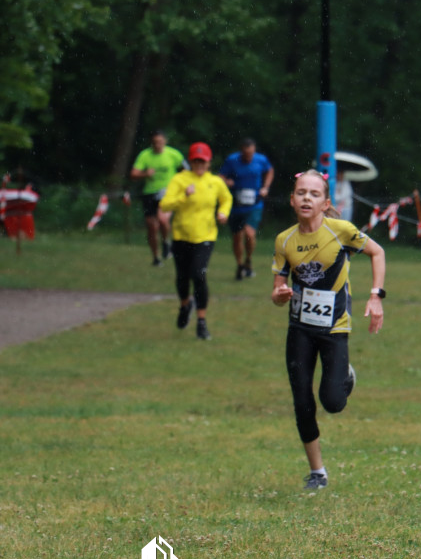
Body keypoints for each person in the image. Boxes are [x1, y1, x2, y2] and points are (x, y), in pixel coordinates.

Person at [270, 170, 386, 490]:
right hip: (300, 329)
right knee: (302, 401)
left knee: (333, 402)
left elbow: (378, 252)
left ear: (325, 203)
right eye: (301, 193)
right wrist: (279, 295)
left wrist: (376, 296)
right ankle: (317, 472)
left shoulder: (341, 231)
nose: (307, 198)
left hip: (335, 327)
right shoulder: (285, 240)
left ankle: (345, 375)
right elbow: (278, 289)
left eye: (314, 194)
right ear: (292, 200)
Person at [159, 142, 233, 340]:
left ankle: (201, 321)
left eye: (203, 161)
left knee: (198, 275)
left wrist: (223, 212)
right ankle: (185, 305)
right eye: (196, 161)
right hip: (181, 236)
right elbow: (165, 205)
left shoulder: (215, 182)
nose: (199, 164)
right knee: (182, 277)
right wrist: (183, 196)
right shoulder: (180, 180)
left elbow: (226, 198)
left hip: (205, 236)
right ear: (190, 161)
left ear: (209, 162)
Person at [220, 138, 275, 280]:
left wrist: (265, 187)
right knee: (237, 237)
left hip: (254, 204)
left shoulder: (261, 160)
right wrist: (227, 181)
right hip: (236, 205)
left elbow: (270, 171)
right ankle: (240, 265)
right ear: (241, 151)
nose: (248, 157)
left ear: (254, 150)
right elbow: (221, 176)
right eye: (245, 154)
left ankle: (248, 259)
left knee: (250, 234)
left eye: (250, 154)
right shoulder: (232, 160)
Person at [131, 130, 186, 266]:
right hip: (149, 193)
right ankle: (156, 257)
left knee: (162, 219)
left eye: (160, 142)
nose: (157, 145)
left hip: (168, 192)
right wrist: (145, 174)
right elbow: (133, 174)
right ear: (151, 143)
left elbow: (186, 171)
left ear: (165, 142)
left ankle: (166, 241)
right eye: (155, 143)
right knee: (152, 227)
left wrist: (181, 185)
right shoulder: (145, 155)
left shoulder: (174, 154)